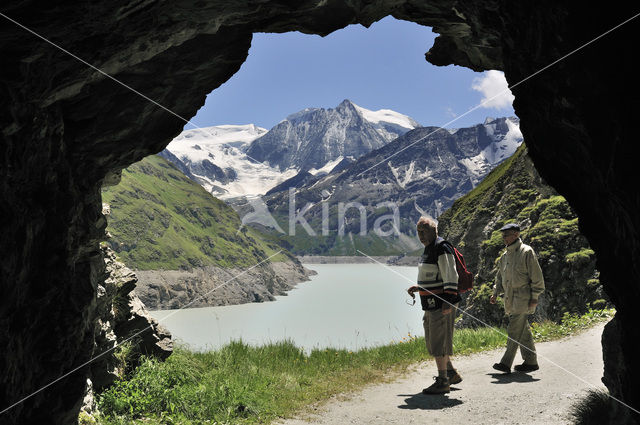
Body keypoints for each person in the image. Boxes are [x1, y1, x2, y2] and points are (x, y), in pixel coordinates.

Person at [407, 216, 462, 394]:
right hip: (430, 304)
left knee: (439, 341)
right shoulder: (429, 249)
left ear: (434, 230)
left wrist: (448, 301)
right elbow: (434, 275)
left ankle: (443, 380)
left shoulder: (442, 247)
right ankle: (451, 373)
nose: (421, 235)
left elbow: (451, 276)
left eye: (424, 231)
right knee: (434, 339)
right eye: (418, 232)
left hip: (441, 304)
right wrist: (419, 288)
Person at [490, 223, 545, 373]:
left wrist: (534, 297)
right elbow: (499, 277)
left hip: (524, 298)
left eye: (506, 235)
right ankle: (531, 362)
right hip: (509, 298)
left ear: (516, 234)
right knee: (523, 330)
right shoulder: (504, 256)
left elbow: (537, 278)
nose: (504, 238)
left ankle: (505, 363)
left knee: (514, 329)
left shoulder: (527, 252)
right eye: (503, 236)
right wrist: (495, 293)